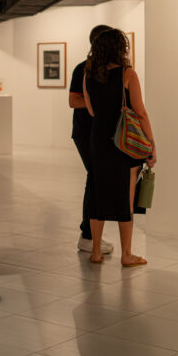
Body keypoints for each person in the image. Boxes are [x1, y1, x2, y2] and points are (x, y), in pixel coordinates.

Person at [83, 29, 156, 267]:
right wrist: (151, 145)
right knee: (125, 198)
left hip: (97, 140)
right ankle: (126, 254)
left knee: (97, 195)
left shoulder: (88, 74)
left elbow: (91, 110)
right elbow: (140, 112)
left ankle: (96, 251)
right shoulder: (127, 74)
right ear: (120, 48)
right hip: (122, 143)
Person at [69, 25, 114, 255]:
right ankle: (87, 235)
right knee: (95, 179)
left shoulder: (111, 70)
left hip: (103, 133)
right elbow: (73, 101)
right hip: (85, 132)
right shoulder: (82, 69)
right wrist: (98, 104)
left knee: (97, 179)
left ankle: (90, 235)